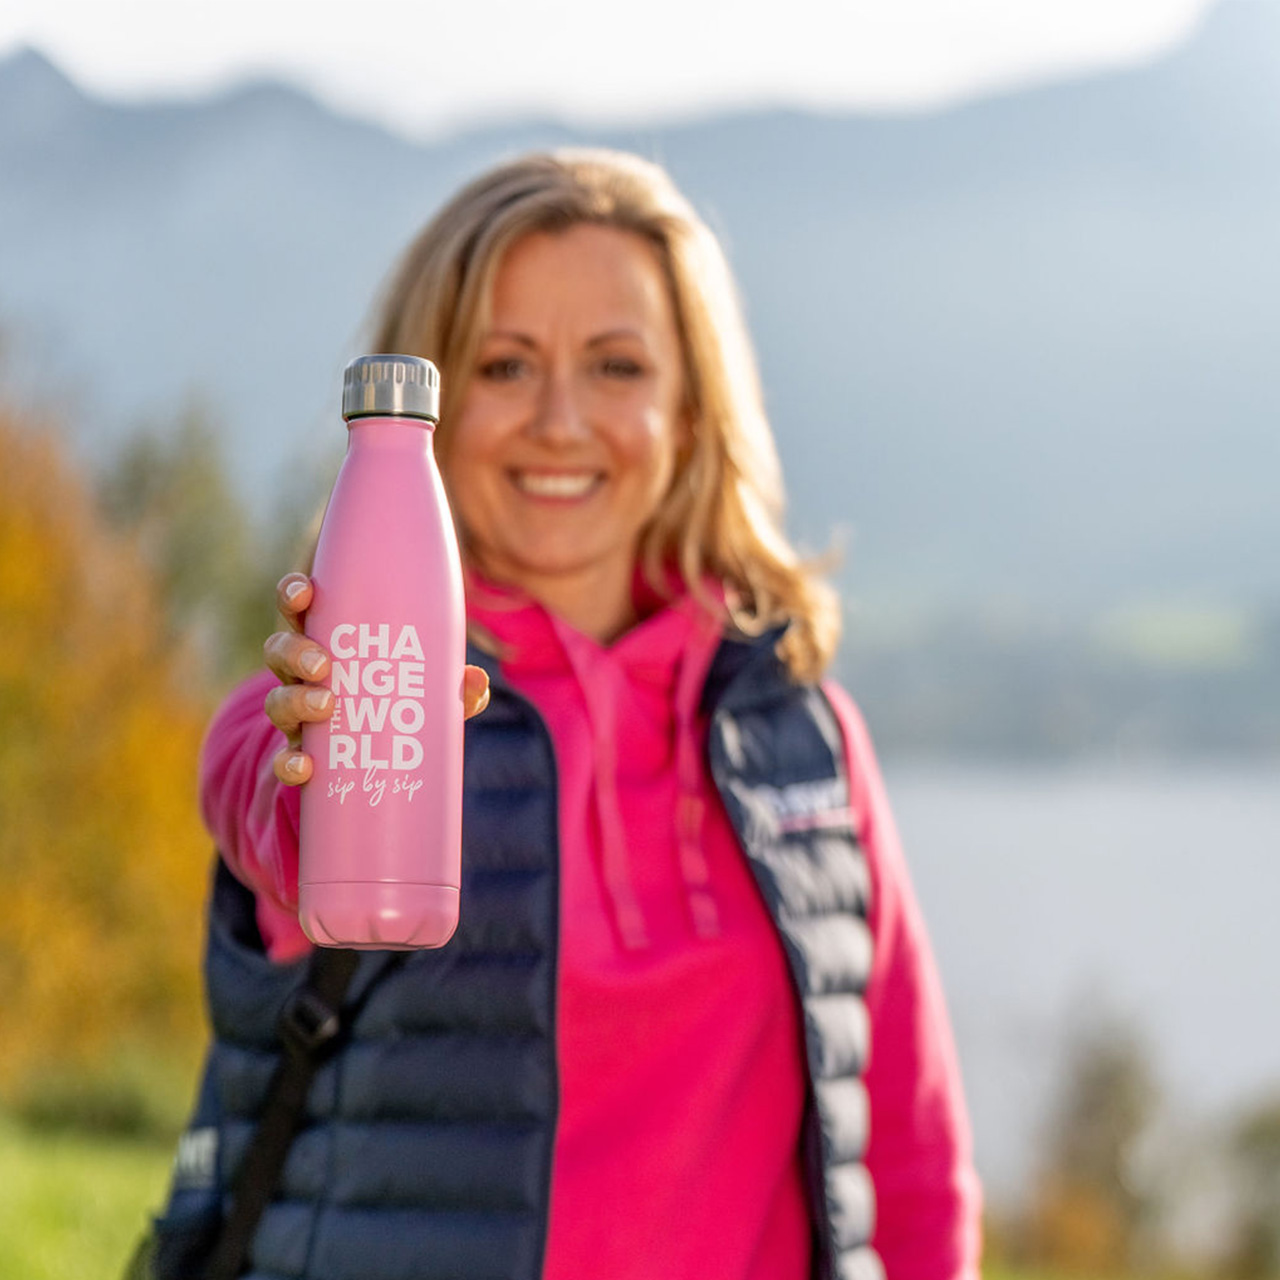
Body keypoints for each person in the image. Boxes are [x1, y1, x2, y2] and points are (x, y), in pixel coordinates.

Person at [175, 149, 981, 1280]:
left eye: (615, 366)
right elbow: (273, 809)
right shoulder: (323, 709)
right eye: (504, 366)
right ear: (424, 409)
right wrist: (321, 767)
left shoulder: (805, 740)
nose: (560, 420)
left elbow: (906, 1160)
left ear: (692, 413)